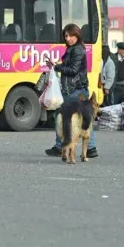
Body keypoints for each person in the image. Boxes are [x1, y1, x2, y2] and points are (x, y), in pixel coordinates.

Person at [44, 24, 98, 159]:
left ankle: (60, 146)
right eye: (66, 36)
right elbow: (71, 66)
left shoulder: (77, 50)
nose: (68, 38)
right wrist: (57, 64)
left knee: (63, 117)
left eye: (71, 35)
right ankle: (90, 148)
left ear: (77, 35)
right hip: (77, 88)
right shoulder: (73, 49)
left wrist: (57, 67)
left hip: (74, 89)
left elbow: (73, 70)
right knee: (84, 117)